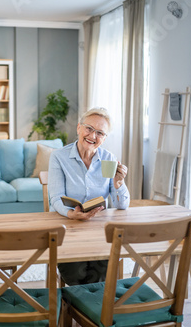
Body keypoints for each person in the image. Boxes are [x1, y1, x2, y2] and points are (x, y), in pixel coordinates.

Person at [48, 107, 130, 285]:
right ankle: (86, 306)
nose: (93, 136)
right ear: (79, 128)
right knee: (74, 275)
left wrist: (119, 183)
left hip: (99, 230)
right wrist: (71, 214)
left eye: (100, 133)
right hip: (68, 227)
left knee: (103, 274)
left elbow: (122, 205)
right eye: (89, 128)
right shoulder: (58, 157)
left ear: (105, 138)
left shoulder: (109, 159)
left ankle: (88, 307)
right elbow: (55, 198)